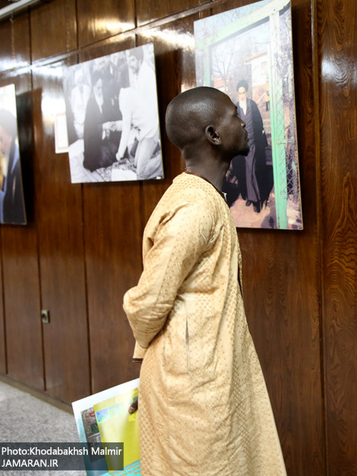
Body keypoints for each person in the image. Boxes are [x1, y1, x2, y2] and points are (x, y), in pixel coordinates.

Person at [122, 86, 287, 475]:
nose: (244, 122)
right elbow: (147, 302)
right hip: (191, 389)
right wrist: (153, 361)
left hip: (205, 376)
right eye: (234, 115)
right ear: (213, 135)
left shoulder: (205, 198)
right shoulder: (196, 208)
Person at [116, 49, 163, 179]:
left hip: (152, 127)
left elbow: (153, 108)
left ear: (139, 60)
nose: (130, 64)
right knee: (134, 159)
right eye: (128, 60)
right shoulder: (138, 75)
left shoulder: (147, 76)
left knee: (140, 173)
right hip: (144, 127)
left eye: (132, 60)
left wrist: (153, 136)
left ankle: (161, 163)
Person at [234, 79, 269, 213]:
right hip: (242, 145)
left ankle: (256, 200)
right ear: (238, 94)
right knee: (246, 170)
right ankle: (250, 195)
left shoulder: (252, 105)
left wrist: (261, 140)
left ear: (246, 92)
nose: (242, 95)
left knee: (252, 168)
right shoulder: (235, 108)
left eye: (243, 92)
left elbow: (259, 123)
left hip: (253, 143)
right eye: (240, 93)